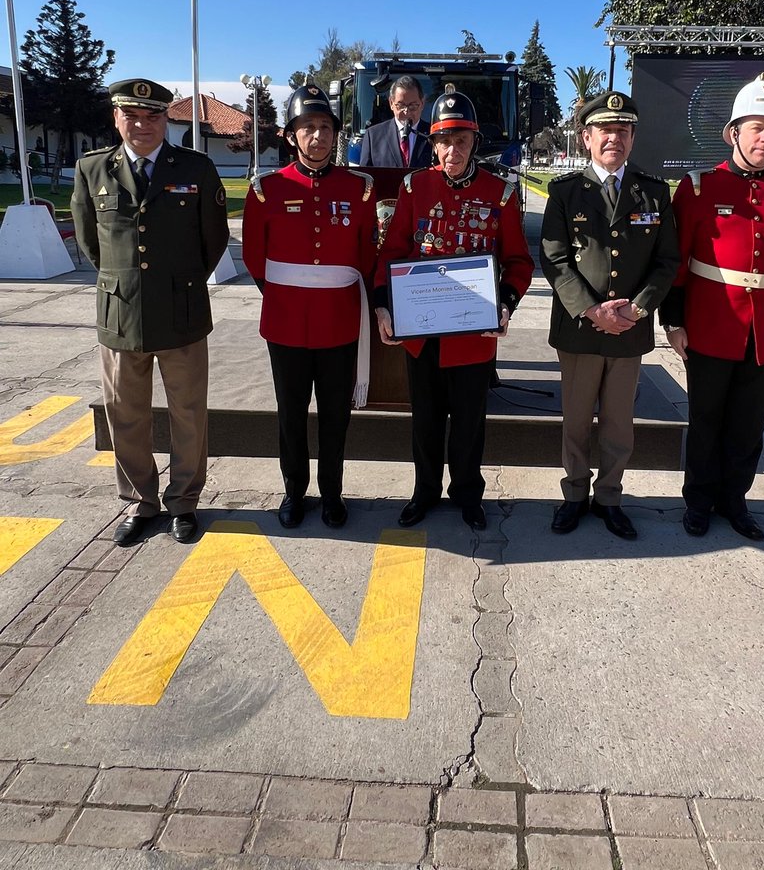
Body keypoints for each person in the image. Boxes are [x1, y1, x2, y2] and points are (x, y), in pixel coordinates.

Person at [659, 71, 764, 541]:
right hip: (710, 322)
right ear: (734, 132)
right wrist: (673, 319)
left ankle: (736, 500)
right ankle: (698, 502)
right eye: (756, 128)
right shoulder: (698, 187)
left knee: (750, 423)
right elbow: (679, 261)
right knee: (705, 419)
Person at [71, 78, 229, 547]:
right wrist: (125, 281)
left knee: (188, 414)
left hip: (182, 313)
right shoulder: (93, 169)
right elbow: (90, 243)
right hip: (120, 315)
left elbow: (213, 240)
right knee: (126, 415)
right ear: (116, 118)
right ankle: (141, 501)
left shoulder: (196, 168)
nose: (142, 125)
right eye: (132, 116)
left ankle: (184, 502)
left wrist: (179, 282)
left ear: (167, 120)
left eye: (153, 116)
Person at [374, 91, 533, 530]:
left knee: (468, 424)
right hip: (422, 333)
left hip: (472, 336)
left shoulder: (499, 194)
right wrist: (384, 305)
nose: (452, 150)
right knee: (424, 422)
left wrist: (505, 305)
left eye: (461, 140)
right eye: (444, 141)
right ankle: (424, 491)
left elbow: (519, 262)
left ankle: (467, 494)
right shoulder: (414, 187)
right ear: (434, 143)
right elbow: (392, 252)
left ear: (474, 142)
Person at [540, 91, 679, 541]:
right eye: (604, 130)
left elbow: (667, 261)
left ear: (633, 138)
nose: (613, 138)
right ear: (586, 137)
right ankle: (574, 495)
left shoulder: (653, 192)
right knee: (577, 421)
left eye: (622, 131)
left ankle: (611, 498)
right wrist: (592, 310)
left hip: (630, 328)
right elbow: (555, 259)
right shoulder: (564, 192)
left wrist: (639, 308)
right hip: (581, 330)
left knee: (619, 424)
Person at [241, 84, 378, 529]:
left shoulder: (359, 189)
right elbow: (254, 259)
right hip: (285, 323)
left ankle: (333, 493)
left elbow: (366, 255)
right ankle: (293, 492)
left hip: (339, 323)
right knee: (291, 414)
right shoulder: (267, 189)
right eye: (307, 128)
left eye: (324, 128)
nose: (317, 137)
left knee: (335, 416)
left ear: (335, 134)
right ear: (291, 135)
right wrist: (291, 293)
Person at [358, 75, 432, 169]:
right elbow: (365, 177)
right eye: (401, 105)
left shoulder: (433, 136)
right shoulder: (373, 136)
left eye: (413, 106)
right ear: (391, 103)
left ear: (422, 104)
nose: (406, 111)